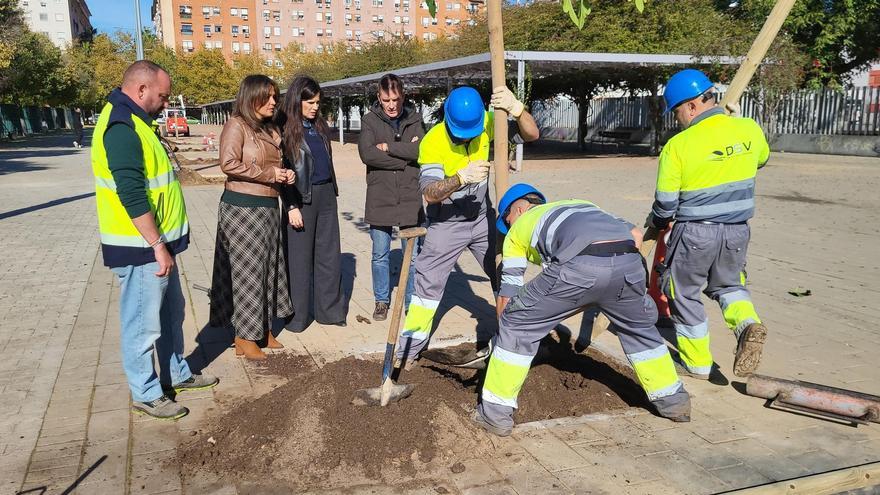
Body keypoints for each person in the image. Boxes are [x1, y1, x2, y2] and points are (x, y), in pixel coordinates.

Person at [474, 184, 691, 437]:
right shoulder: (583, 205)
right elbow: (635, 234)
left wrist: (504, 335)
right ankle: (674, 402)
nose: (508, 228)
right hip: (629, 263)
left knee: (517, 324)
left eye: (507, 221)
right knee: (639, 329)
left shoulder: (518, 230)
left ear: (519, 208)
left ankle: (495, 416)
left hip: (578, 267)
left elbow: (509, 293)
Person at [91, 60, 217, 420]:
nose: (166, 103)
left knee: (171, 313)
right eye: (162, 96)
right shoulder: (121, 127)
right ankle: (146, 391)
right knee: (142, 323)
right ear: (141, 89)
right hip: (141, 249)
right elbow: (131, 193)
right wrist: (157, 245)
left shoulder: (139, 123)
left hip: (158, 246)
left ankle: (177, 373)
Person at [394, 85, 540, 368]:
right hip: (446, 223)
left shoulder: (489, 121)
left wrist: (517, 109)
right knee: (427, 287)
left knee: (505, 273)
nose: (468, 138)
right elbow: (429, 193)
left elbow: (532, 134)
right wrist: (460, 178)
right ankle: (407, 353)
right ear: (447, 119)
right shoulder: (433, 140)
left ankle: (516, 341)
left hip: (483, 218)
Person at [645, 68, 770, 379]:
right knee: (729, 285)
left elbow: (666, 204)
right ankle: (746, 324)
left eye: (676, 113)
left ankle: (697, 363)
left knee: (682, 292)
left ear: (690, 106)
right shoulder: (749, 129)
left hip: (694, 233)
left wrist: (655, 224)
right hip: (737, 230)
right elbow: (761, 159)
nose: (678, 120)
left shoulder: (678, 145)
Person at [209, 75, 296, 360]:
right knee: (248, 272)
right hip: (242, 208)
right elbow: (228, 163)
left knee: (270, 269)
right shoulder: (237, 125)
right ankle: (244, 337)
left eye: (275, 97)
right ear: (252, 97)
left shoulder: (270, 129)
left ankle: (263, 329)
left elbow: (274, 164)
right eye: (268, 97)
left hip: (269, 207)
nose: (274, 102)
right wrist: (271, 174)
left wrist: (285, 174)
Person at [277, 75, 347, 331]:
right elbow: (283, 170)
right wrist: (291, 205)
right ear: (297, 101)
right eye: (310, 102)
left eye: (318, 102)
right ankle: (297, 317)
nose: (315, 107)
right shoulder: (284, 129)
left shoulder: (319, 126)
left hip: (327, 194)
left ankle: (330, 311)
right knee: (299, 260)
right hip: (301, 199)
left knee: (329, 256)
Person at [357, 73, 425, 321]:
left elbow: (421, 150)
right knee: (380, 254)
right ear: (379, 97)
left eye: (396, 99)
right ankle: (381, 300)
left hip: (409, 195)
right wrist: (405, 159)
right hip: (380, 195)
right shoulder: (369, 121)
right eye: (386, 99)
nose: (391, 105)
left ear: (403, 96)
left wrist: (389, 147)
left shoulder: (416, 119)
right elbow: (367, 154)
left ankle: (411, 302)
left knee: (413, 256)